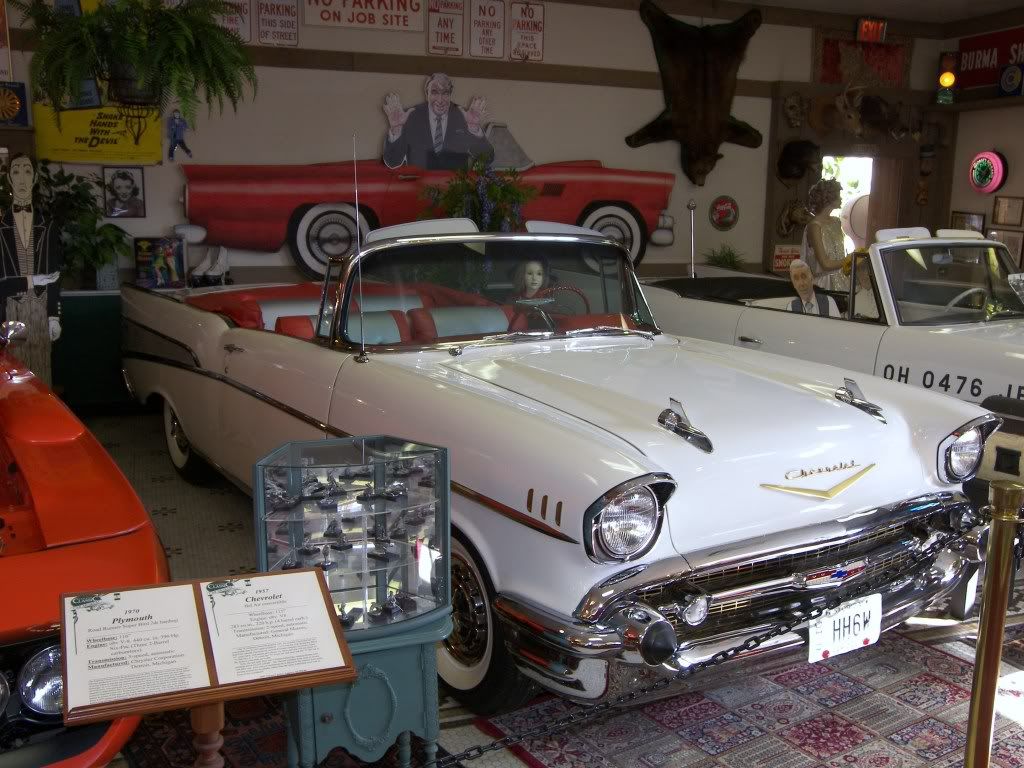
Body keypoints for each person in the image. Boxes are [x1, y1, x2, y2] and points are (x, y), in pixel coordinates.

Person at [0, 155, 61, 385]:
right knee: (15, 375)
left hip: (41, 309)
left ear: (35, 178)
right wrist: (31, 279)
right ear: (9, 179)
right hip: (9, 310)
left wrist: (54, 316)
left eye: (27, 171)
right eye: (16, 171)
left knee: (42, 373)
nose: (22, 177)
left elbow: (55, 274)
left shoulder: (48, 225)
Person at [382, 73, 494, 170]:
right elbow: (393, 161)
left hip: (455, 191)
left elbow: (487, 158)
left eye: (445, 93)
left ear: (450, 95)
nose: (440, 100)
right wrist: (396, 129)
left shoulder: (464, 117)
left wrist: (473, 128)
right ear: (427, 94)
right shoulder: (409, 117)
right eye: (434, 92)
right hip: (418, 189)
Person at [801, 178, 849, 290]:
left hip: (843, 280)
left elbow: (838, 253)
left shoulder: (836, 222)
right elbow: (825, 264)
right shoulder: (814, 226)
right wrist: (850, 260)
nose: (841, 198)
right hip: (824, 285)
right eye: (838, 195)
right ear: (828, 199)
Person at [851, 253, 879, 320]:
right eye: (859, 270)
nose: (865, 274)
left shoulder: (884, 295)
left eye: (867, 268)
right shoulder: (856, 300)